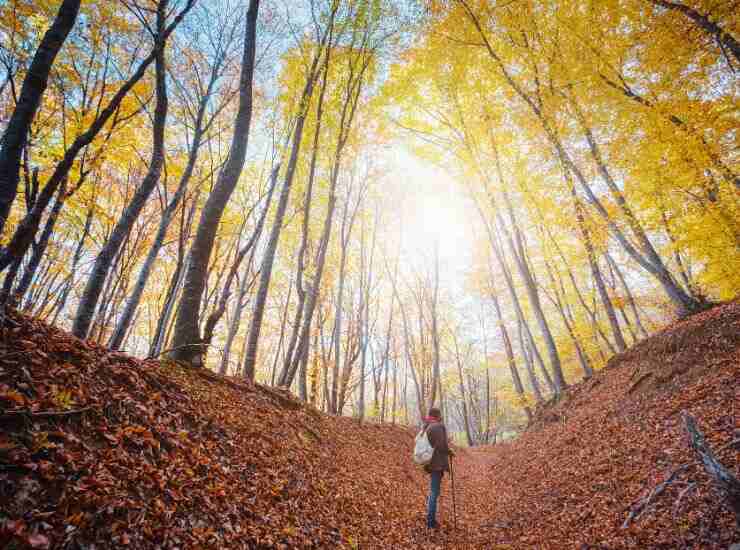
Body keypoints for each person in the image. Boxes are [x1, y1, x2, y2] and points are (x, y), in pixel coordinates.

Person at [423, 406, 454, 530]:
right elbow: (442, 445)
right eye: (440, 414)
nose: (441, 416)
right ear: (437, 415)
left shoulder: (428, 426)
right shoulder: (438, 426)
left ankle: (431, 519)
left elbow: (435, 443)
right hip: (437, 464)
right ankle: (430, 522)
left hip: (431, 463)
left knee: (433, 491)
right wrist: (450, 451)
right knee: (434, 492)